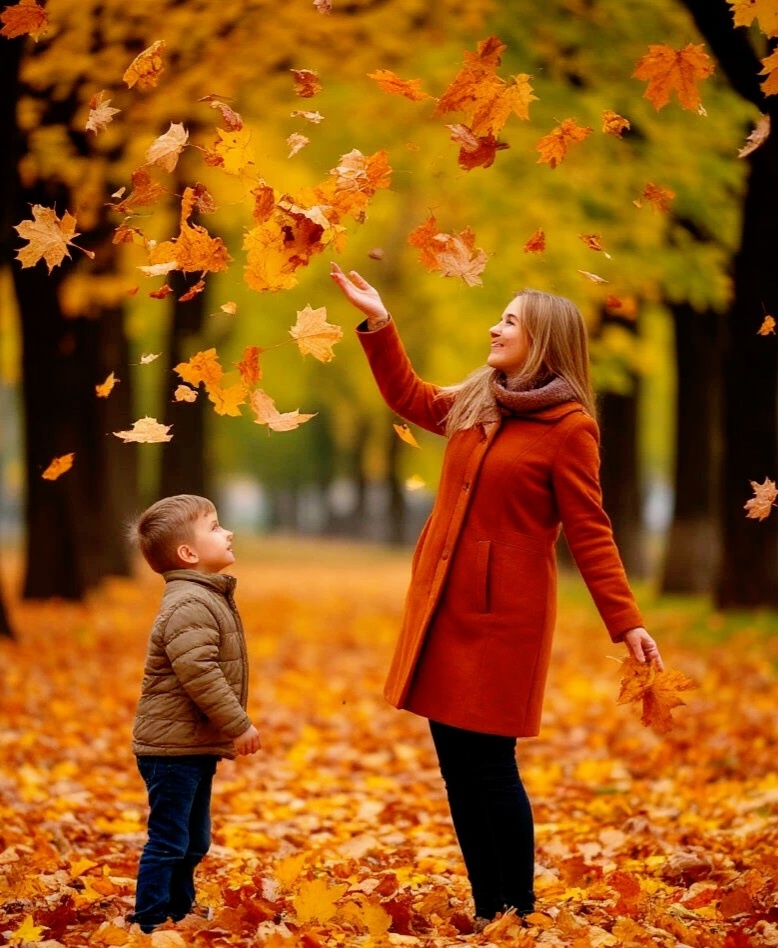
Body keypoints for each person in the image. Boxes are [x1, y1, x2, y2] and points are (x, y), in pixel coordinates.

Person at [330, 262, 663, 931]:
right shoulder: (482, 396)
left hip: (503, 616)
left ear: (542, 339)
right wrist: (380, 321)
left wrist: (624, 622)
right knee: (456, 763)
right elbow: (412, 398)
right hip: (444, 603)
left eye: (509, 321)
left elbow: (590, 530)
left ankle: (519, 910)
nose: (494, 326)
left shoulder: (570, 428)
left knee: (488, 762)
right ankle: (493, 913)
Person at [128, 494, 262, 933]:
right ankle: (150, 920)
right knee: (169, 839)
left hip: (190, 745)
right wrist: (237, 725)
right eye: (216, 527)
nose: (228, 533)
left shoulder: (204, 595)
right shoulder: (190, 604)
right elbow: (199, 673)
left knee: (194, 839)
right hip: (171, 749)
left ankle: (179, 910)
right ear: (188, 554)